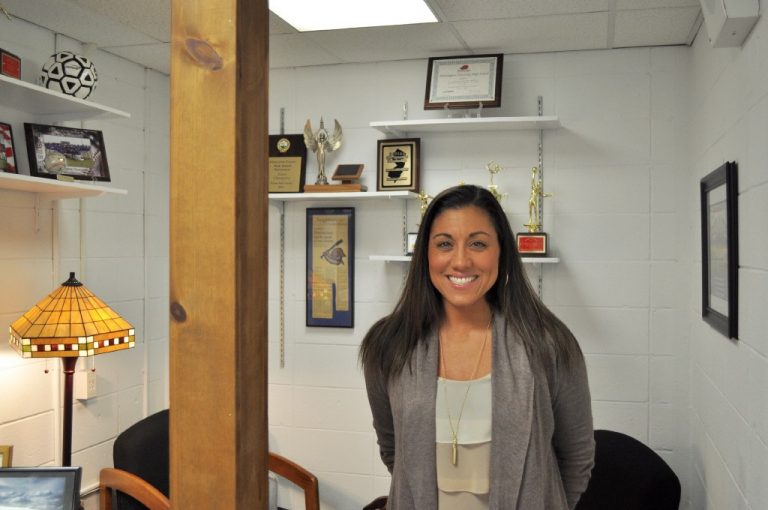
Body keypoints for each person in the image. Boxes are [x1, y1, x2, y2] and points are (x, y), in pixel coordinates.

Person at [360, 184, 594, 509]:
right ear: (425, 254)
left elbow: (577, 457)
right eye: (444, 244)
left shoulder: (549, 343)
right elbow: (394, 450)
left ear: (501, 251)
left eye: (478, 244)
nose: (460, 261)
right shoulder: (389, 346)